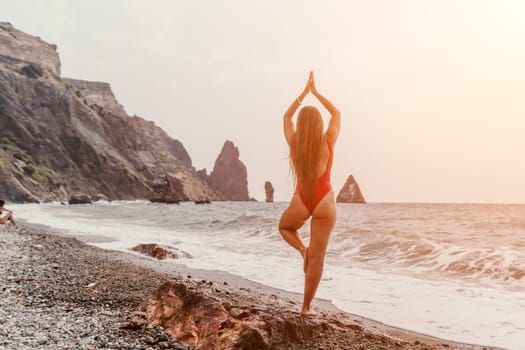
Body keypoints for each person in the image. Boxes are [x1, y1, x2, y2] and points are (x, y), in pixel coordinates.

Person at [279, 71, 341, 317]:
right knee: (319, 256)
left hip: (302, 198)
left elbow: (286, 116)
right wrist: (316, 93)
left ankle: (302, 249)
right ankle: (306, 308)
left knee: (285, 227)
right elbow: (336, 113)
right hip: (325, 199)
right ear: (318, 124)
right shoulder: (328, 140)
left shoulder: (294, 142)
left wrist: (303, 95)